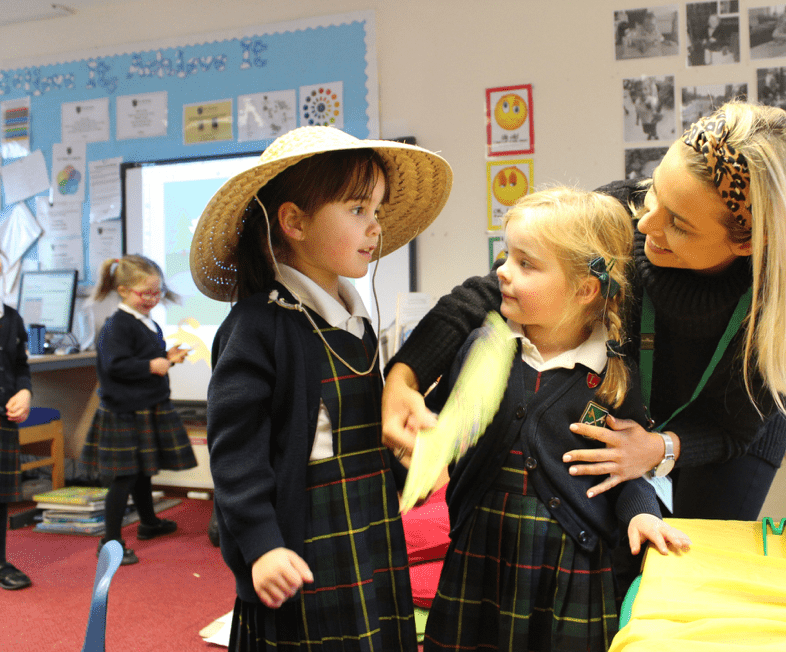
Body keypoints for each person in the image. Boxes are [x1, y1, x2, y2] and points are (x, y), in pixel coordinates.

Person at [383, 100, 786, 528]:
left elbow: (731, 429)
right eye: (655, 191)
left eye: (678, 224)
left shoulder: (775, 307)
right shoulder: (619, 213)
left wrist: (659, 448)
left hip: (726, 430)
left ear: (746, 244)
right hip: (631, 402)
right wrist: (405, 376)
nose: (646, 224)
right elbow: (492, 292)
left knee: (698, 553)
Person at [192, 126, 451, 651]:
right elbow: (236, 457)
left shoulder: (353, 321)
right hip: (306, 533)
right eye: (358, 210)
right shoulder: (258, 326)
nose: (375, 228)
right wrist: (263, 547)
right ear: (294, 222)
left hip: (371, 517)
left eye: (377, 211)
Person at [422, 187, 690, 651]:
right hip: (480, 557)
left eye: (526, 264)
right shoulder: (481, 348)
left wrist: (643, 514)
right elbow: (435, 428)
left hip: (571, 569)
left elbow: (622, 472)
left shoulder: (613, 375)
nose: (502, 273)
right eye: (508, 256)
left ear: (585, 289)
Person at [81, 255, 196, 565]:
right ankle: (111, 540)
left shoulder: (146, 322)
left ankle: (149, 522)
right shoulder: (117, 325)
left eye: (157, 292)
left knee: (144, 471)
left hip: (145, 407)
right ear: (122, 290)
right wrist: (152, 365)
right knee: (124, 477)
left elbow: (145, 357)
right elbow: (115, 365)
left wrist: (166, 356)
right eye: (145, 293)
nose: (153, 299)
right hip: (124, 412)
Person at [0, 266, 32, 590]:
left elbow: (20, 365)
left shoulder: (12, 318)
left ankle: (0, 562)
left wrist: (25, 391)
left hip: (3, 420)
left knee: (0, 497)